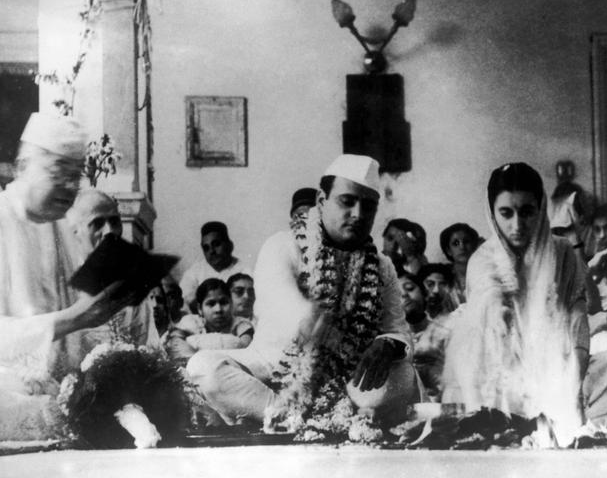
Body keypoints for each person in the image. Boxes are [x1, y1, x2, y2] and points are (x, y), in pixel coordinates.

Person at [186, 154, 423, 427]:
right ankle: (285, 414)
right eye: (347, 201)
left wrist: (388, 344)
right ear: (322, 201)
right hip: (271, 367)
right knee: (203, 368)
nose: (358, 214)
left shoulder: (382, 266)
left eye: (368, 206)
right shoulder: (283, 245)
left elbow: (399, 330)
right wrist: (312, 318)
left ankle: (313, 416)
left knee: (405, 376)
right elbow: (280, 299)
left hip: (347, 379)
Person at [442, 162, 607, 444]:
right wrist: (499, 311)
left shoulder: (563, 251)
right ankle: (537, 429)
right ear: (492, 213)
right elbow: (490, 316)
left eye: (527, 212)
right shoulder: (483, 259)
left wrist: (573, 377)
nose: (517, 225)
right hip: (501, 376)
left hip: (559, 366)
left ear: (541, 208)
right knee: (477, 406)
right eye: (506, 213)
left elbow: (578, 316)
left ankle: (565, 429)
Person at [0, 113, 141, 440]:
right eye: (58, 173)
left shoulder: (63, 228)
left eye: (75, 176)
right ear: (24, 166)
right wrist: (76, 317)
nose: (70, 187)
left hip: (58, 391)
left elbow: (84, 336)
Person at [66, 189, 161, 350]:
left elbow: (148, 348)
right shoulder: (64, 284)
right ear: (75, 231)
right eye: (97, 223)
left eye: (114, 222)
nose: (109, 232)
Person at [179, 221, 251, 308]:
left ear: (230, 246)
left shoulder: (245, 271)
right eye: (206, 248)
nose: (211, 251)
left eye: (216, 244)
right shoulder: (194, 273)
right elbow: (183, 302)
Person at [412, 264, 457, 400]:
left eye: (442, 284)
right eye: (430, 284)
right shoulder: (411, 317)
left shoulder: (454, 319)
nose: (436, 290)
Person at [439, 223, 480, 307]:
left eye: (466, 242)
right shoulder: (444, 279)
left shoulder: (486, 273)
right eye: (456, 243)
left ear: (474, 245)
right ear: (448, 251)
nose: (462, 247)